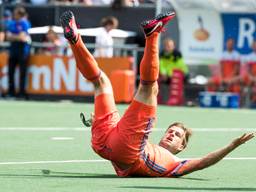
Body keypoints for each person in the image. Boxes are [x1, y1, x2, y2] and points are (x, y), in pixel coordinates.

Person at [60, 10, 255, 177]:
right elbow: (126, 138)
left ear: (181, 147)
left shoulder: (176, 164)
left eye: (178, 135)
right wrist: (97, 123)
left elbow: (205, 161)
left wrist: (233, 145)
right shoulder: (147, 145)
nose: (172, 134)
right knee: (101, 82)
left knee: (149, 88)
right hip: (108, 142)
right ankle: (75, 40)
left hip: (122, 150)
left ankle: (153, 35)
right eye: (171, 131)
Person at [5, 6, 31, 98]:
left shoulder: (25, 23)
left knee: (22, 73)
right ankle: (11, 92)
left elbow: (22, 37)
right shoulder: (11, 23)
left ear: (20, 14)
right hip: (13, 52)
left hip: (23, 52)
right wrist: (17, 37)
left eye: (15, 13)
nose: (14, 15)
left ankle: (21, 93)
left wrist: (14, 36)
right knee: (10, 72)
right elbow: (7, 37)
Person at [159, 38, 189, 104]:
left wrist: (169, 73)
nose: (170, 47)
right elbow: (161, 65)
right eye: (168, 46)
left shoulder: (177, 54)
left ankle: (176, 99)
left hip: (178, 75)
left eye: (171, 45)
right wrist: (164, 73)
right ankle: (159, 99)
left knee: (176, 77)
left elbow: (180, 66)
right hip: (167, 76)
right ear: (165, 46)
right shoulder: (162, 54)